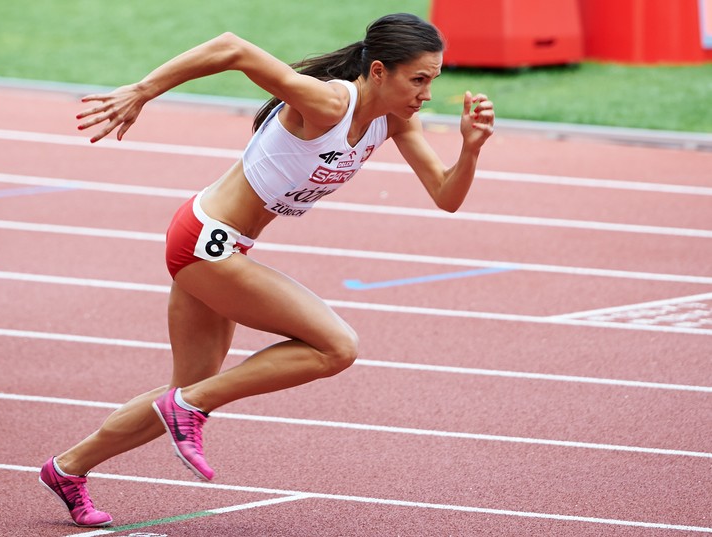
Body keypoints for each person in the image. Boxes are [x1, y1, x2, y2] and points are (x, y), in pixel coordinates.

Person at [38, 12, 494, 527]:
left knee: (186, 385)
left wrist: (470, 149)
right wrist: (143, 90)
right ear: (381, 71)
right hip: (205, 244)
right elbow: (232, 47)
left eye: (434, 80)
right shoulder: (327, 104)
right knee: (336, 347)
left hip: (225, 246)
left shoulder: (393, 122)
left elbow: (446, 196)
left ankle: (68, 467)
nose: (427, 94)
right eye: (419, 79)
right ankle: (191, 405)